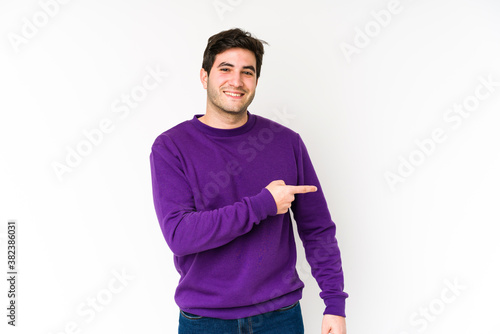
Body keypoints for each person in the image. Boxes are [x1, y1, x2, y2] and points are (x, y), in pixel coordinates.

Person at [150, 28, 348, 334]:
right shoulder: (171, 147)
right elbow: (180, 234)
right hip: (205, 320)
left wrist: (334, 303)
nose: (237, 81)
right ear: (205, 77)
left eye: (248, 72)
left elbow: (317, 229)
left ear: (256, 81)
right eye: (225, 69)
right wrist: (264, 204)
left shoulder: (286, 143)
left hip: (280, 317)